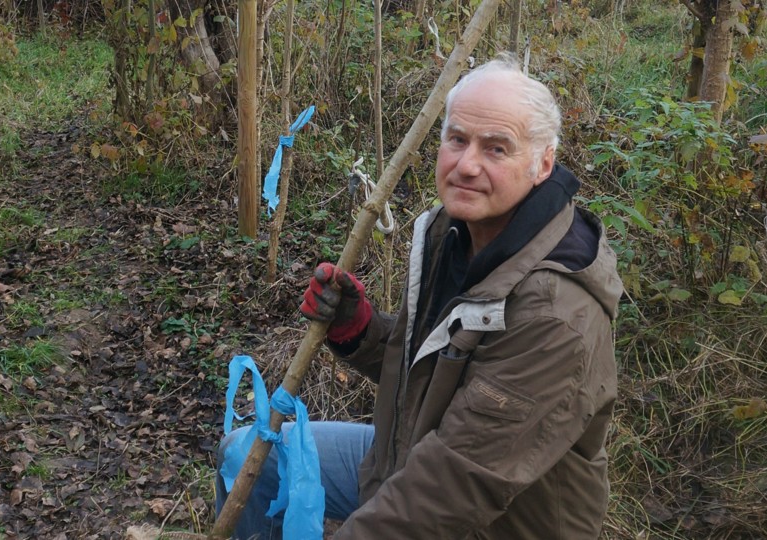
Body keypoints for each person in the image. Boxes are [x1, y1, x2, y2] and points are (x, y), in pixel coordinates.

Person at [216, 53, 623, 539]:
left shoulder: (556, 312)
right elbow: (432, 368)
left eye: (496, 149)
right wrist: (360, 330)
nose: (467, 165)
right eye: (457, 140)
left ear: (543, 164)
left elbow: (452, 486)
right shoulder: (453, 234)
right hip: (411, 457)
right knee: (247, 456)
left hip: (492, 519)